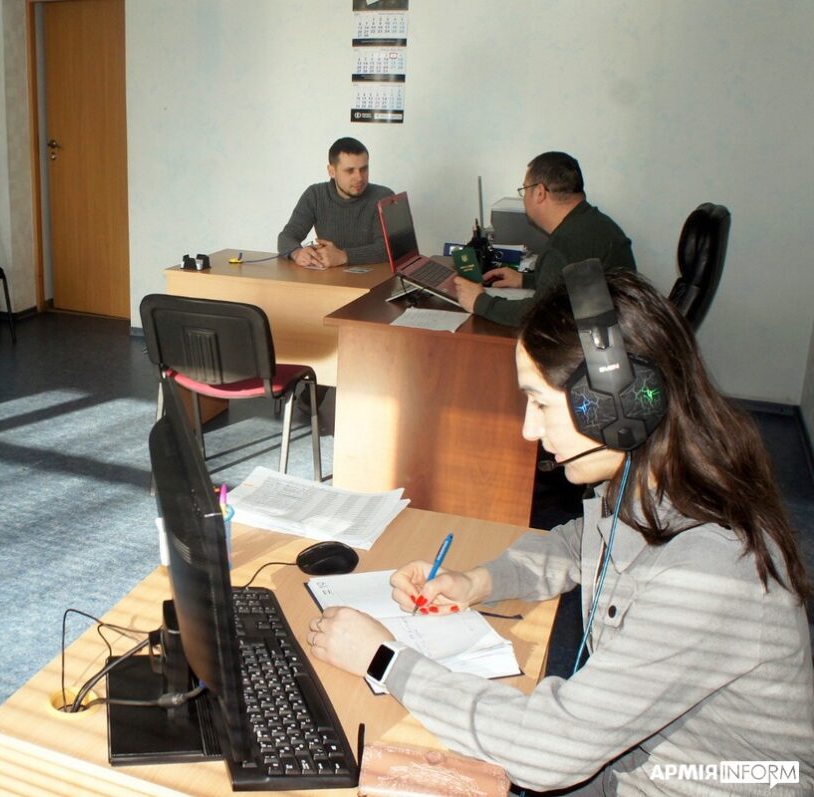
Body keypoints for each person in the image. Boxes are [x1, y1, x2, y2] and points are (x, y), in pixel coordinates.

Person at [307, 271, 813, 795]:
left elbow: (550, 751)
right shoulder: (653, 485)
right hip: (636, 763)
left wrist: (384, 659)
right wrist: (479, 581)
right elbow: (579, 543)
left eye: (541, 403)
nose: (529, 429)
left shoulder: (711, 572)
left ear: (620, 408)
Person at [456, 152, 635, 327]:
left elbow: (541, 315)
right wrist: (526, 280)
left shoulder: (564, 244)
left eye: (525, 190)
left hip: (595, 340)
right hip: (623, 332)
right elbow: (573, 286)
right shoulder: (595, 223)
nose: (524, 198)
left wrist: (479, 302)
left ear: (540, 192)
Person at [277, 137, 393, 269]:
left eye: (364, 169)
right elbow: (286, 237)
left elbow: (389, 248)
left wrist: (343, 256)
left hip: (376, 277)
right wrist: (297, 253)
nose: (359, 177)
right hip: (330, 277)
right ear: (332, 171)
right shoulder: (315, 195)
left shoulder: (383, 197)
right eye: (350, 171)